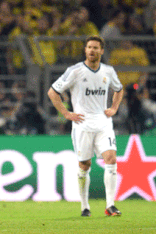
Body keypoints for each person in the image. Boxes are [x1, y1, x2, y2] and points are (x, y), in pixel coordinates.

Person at [47, 36, 124, 217]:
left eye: (95, 48)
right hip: (82, 124)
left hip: (103, 123)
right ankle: (84, 206)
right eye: (89, 47)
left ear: (102, 51)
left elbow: (119, 89)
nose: (92, 50)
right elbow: (53, 92)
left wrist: (114, 108)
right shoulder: (74, 71)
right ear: (85, 50)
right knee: (84, 164)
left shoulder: (109, 71)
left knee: (111, 159)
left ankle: (110, 205)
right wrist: (66, 113)